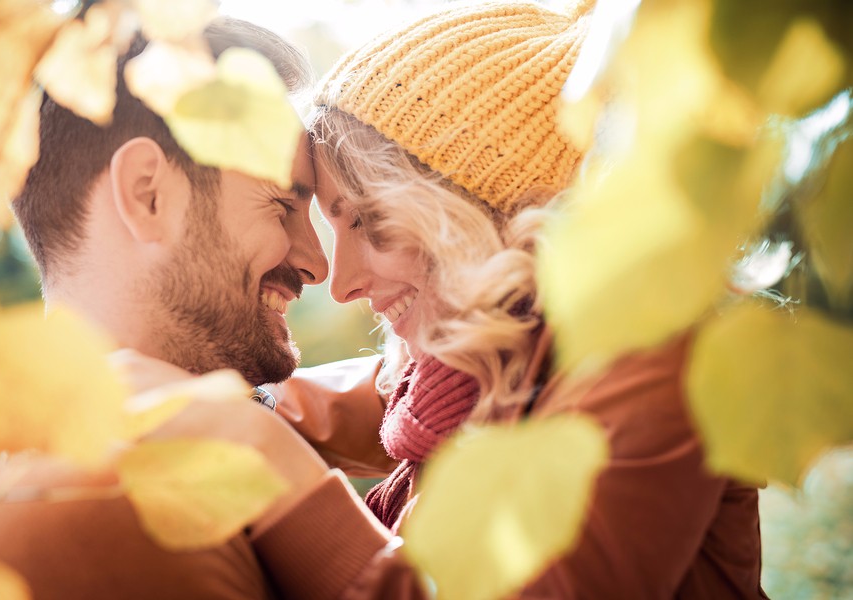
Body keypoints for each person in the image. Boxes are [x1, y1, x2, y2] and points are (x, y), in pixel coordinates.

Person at [239, 2, 769, 598]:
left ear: (484, 215)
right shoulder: (462, 370)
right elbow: (329, 405)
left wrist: (281, 477)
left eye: (370, 222)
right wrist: (223, 404)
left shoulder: (651, 362)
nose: (341, 284)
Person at [0, 16, 358, 600]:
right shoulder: (107, 505)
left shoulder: (182, 446)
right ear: (149, 194)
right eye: (279, 206)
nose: (319, 266)